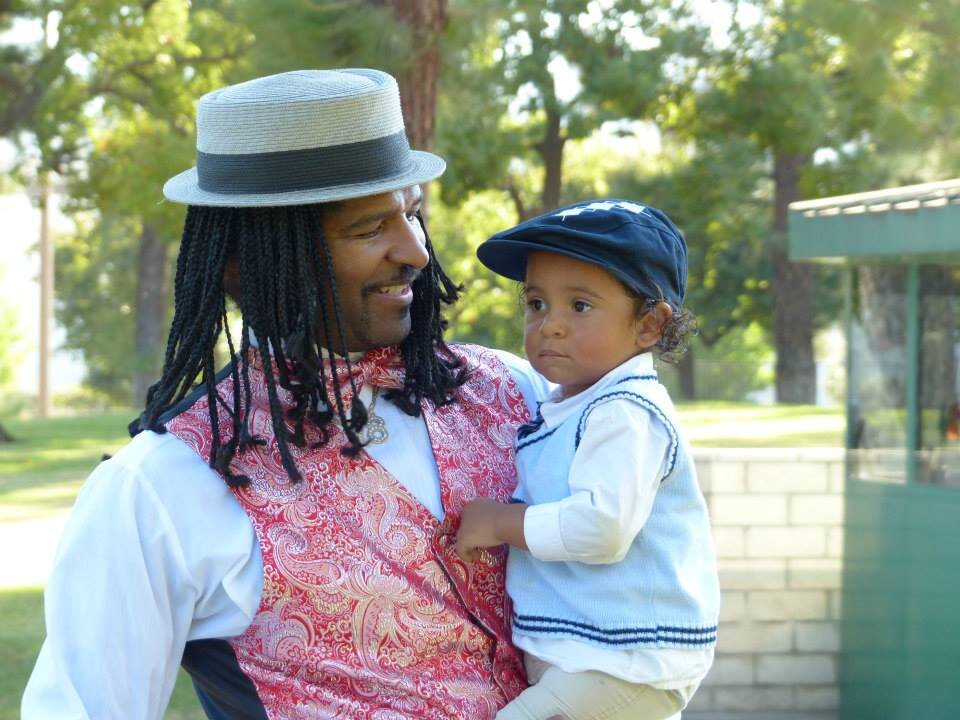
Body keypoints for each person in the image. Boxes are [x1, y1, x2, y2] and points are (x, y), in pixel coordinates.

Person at [22, 69, 551, 719]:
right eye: (368, 229)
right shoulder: (164, 488)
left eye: (412, 213)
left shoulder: (518, 393)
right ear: (245, 266)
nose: (414, 251)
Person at [455, 200, 721, 720]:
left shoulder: (624, 412)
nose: (549, 325)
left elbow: (602, 528)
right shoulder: (574, 406)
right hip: (593, 657)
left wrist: (500, 522)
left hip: (623, 662)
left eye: (579, 306)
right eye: (536, 304)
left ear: (649, 325)